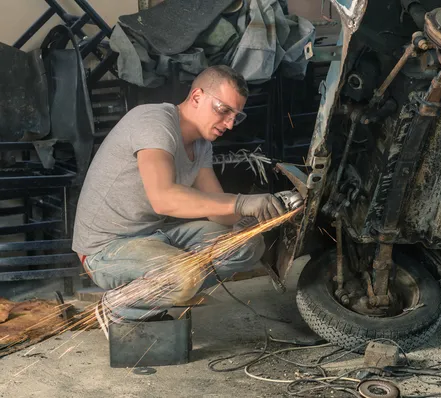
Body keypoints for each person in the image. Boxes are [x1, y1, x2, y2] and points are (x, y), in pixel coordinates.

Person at [72, 65, 286, 337]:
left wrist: (261, 216)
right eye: (224, 110)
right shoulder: (154, 122)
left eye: (237, 116)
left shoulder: (201, 144)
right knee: (186, 276)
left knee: (246, 246)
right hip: (105, 250)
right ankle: (120, 306)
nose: (230, 123)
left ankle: (151, 292)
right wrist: (242, 202)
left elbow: (218, 208)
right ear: (196, 96)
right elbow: (164, 199)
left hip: (152, 236)